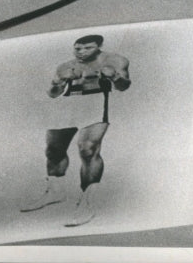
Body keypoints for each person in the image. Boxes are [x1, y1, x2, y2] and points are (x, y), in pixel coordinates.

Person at [20, 34, 131, 227]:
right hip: (68, 103)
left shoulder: (115, 59)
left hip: (95, 100)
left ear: (99, 46)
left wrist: (113, 76)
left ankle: (88, 201)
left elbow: (123, 86)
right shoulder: (65, 65)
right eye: (77, 48)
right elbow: (53, 94)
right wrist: (57, 83)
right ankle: (55, 192)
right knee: (53, 150)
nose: (81, 52)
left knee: (88, 149)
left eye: (87, 48)